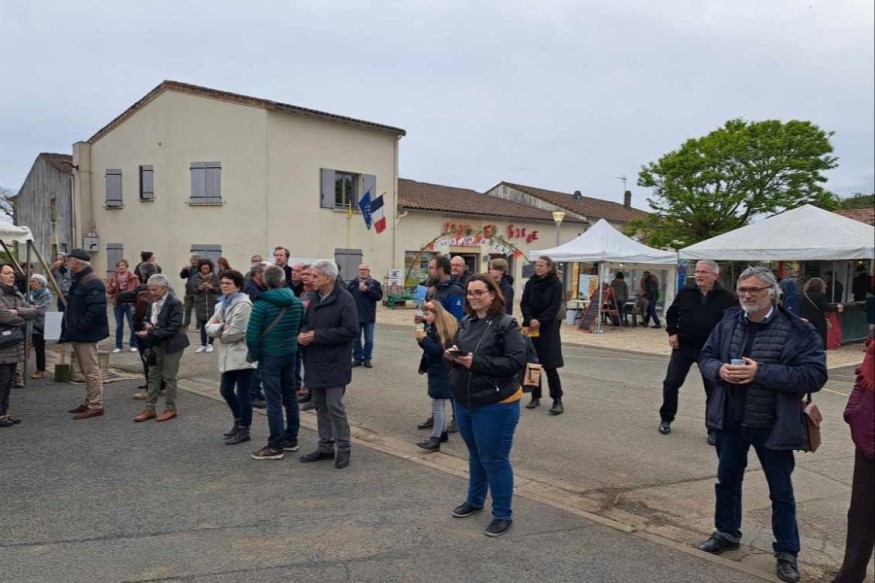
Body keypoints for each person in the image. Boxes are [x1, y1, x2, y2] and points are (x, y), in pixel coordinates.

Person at [697, 266, 827, 583]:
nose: (746, 295)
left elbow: (814, 375)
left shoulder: (798, 329)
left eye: (754, 290)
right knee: (727, 480)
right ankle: (726, 532)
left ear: (771, 292)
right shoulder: (729, 320)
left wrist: (761, 372)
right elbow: (706, 355)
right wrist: (718, 371)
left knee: (781, 491)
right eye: (742, 289)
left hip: (774, 424)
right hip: (730, 418)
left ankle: (787, 553)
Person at [446, 274, 526, 537]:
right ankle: (475, 500)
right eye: (470, 292)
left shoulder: (507, 325)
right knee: (475, 455)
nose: (473, 297)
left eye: (479, 292)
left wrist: (475, 362)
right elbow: (458, 349)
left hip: (496, 403)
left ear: (493, 295)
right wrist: (451, 354)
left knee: (494, 459)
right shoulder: (467, 322)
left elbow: (515, 363)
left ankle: (503, 513)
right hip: (465, 401)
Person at [658, 260, 737, 444]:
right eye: (698, 272)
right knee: (671, 383)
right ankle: (666, 418)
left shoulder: (726, 297)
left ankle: (713, 429)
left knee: (713, 391)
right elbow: (671, 314)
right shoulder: (686, 292)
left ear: (715, 276)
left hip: (711, 352)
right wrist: (672, 332)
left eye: (704, 272)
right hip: (684, 347)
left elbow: (735, 321)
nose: (699, 275)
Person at [297, 259, 358, 469]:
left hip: (335, 362)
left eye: (314, 276)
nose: (310, 279)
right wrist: (304, 333)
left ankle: (344, 448)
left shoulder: (345, 299)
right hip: (316, 360)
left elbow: (351, 330)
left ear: (328, 278)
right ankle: (325, 446)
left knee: (334, 406)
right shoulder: (314, 297)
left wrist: (318, 336)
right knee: (320, 406)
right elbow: (307, 321)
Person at [246, 265, 305, 460]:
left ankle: (275, 445)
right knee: (290, 396)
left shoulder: (261, 305)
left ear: (264, 281)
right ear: (283, 280)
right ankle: (291, 439)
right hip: (290, 352)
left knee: (273, 401)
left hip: (270, 355)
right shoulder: (296, 302)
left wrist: (254, 355)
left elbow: (252, 337)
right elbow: (299, 325)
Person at [831, 340, 874, 583]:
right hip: (869, 439)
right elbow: (863, 380)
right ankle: (850, 575)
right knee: (862, 512)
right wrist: (854, 411)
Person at [206, 269, 257, 445]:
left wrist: (219, 330)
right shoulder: (221, 304)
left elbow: (236, 332)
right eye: (222, 283)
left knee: (243, 393)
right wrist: (221, 328)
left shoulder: (243, 304)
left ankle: (245, 429)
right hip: (228, 354)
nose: (224, 286)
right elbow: (208, 326)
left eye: (228, 283)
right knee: (225, 390)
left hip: (242, 354)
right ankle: (238, 421)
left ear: (238, 285)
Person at [133, 274, 189, 422]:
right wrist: (147, 326)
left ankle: (170, 408)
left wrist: (153, 333)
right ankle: (149, 409)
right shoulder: (152, 302)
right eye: (149, 289)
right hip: (156, 343)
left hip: (172, 345)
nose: (151, 293)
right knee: (153, 376)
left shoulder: (175, 302)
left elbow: (174, 326)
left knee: (169, 377)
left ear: (164, 289)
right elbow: (148, 319)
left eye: (154, 289)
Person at [61, 249, 110, 420]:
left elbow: (97, 308)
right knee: (86, 369)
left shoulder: (92, 281)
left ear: (77, 262)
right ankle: (89, 401)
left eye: (69, 260)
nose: (67, 263)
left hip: (87, 333)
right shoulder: (82, 279)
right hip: (80, 332)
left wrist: (81, 327)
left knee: (91, 370)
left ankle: (96, 405)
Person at [520, 255, 565, 415]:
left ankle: (557, 398)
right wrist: (530, 319)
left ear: (548, 267)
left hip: (547, 327)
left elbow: (555, 306)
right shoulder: (531, 283)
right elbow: (524, 303)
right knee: (532, 361)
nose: (537, 268)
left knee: (549, 363)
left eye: (541, 265)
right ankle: (534, 395)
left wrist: (540, 320)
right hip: (531, 326)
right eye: (536, 265)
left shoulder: (555, 284)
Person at [415, 300, 457, 451]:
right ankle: (443, 432)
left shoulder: (442, 329)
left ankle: (435, 438)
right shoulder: (435, 326)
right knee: (439, 402)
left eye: (427, 314)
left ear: (436, 314)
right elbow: (428, 347)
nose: (425, 317)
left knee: (437, 404)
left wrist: (424, 338)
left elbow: (435, 350)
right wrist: (421, 338)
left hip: (441, 370)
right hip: (438, 369)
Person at [0, 264, 37, 427]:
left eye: (12, 273)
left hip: (14, 342)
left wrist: (17, 311)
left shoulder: (15, 292)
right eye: (6, 273)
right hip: (2, 343)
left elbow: (34, 311)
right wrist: (21, 316)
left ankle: (5, 412)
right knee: (2, 381)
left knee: (8, 381)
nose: (11, 276)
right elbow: (5, 317)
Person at [118, 262, 160, 398]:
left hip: (144, 325)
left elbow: (122, 296)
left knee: (147, 356)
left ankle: (151, 386)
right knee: (157, 356)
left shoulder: (144, 287)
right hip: (157, 326)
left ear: (143, 274)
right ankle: (160, 384)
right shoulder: (164, 286)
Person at [347, 263, 383, 368]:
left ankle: (367, 359)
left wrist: (368, 290)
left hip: (369, 317)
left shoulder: (375, 284)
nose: (362, 271)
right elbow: (347, 298)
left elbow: (379, 297)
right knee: (355, 340)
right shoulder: (352, 284)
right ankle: (357, 358)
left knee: (369, 339)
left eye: (365, 269)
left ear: (368, 271)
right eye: (360, 269)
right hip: (355, 316)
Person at [799, 277, 844, 349]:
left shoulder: (804, 295)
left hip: (806, 321)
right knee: (818, 340)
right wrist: (837, 307)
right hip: (818, 321)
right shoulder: (820, 295)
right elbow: (826, 307)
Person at [106, 259, 140, 353]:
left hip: (130, 303)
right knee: (119, 325)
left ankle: (134, 344)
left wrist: (133, 295)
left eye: (123, 265)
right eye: (119, 266)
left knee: (132, 325)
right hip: (118, 303)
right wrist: (112, 286)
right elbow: (108, 290)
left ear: (126, 266)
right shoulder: (113, 278)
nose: (121, 267)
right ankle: (118, 345)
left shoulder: (134, 277)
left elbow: (139, 290)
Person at [192, 258, 219, 353]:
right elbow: (193, 290)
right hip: (201, 303)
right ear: (200, 269)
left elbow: (218, 289)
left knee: (211, 324)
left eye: (207, 268)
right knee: (203, 324)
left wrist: (211, 288)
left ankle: (210, 343)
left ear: (210, 268)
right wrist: (199, 288)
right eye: (203, 268)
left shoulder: (215, 277)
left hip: (212, 303)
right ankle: (203, 344)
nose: (205, 270)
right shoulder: (196, 278)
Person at [28, 274, 52, 380]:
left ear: (40, 283)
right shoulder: (29, 293)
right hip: (30, 323)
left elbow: (42, 310)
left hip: (41, 325)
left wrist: (30, 308)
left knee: (39, 347)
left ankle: (41, 369)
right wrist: (32, 308)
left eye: (34, 281)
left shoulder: (47, 294)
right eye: (31, 281)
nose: (31, 283)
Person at [179, 253, 199, 330]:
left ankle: (198, 325)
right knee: (187, 309)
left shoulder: (200, 269)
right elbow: (182, 276)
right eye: (191, 260)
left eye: (194, 260)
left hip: (197, 292)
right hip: (188, 292)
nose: (192, 261)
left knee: (198, 309)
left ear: (197, 260)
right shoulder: (189, 269)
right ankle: (186, 325)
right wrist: (184, 270)